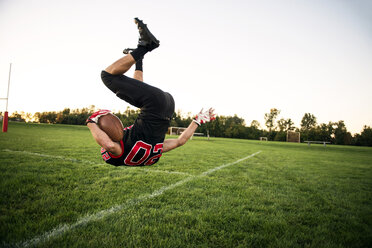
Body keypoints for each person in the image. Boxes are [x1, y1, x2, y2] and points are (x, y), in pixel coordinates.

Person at [87, 18, 215, 166]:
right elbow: (109, 146)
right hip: (154, 104)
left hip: (167, 104)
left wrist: (197, 120)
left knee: (135, 93)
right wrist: (91, 123)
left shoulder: (152, 151)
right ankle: (144, 47)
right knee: (108, 76)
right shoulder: (119, 150)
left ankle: (139, 58)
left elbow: (180, 141)